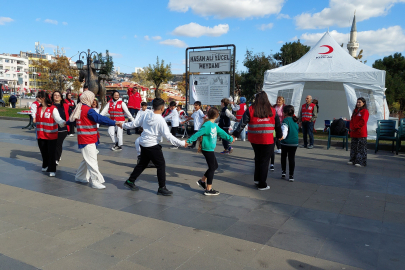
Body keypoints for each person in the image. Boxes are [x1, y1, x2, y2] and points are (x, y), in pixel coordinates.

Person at [122, 98, 187, 196]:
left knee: (143, 163)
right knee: (161, 165)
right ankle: (162, 188)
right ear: (162, 108)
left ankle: (130, 181)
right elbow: (168, 136)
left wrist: (123, 125)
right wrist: (181, 143)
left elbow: (134, 124)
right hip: (152, 145)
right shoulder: (160, 120)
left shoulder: (146, 114)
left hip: (143, 143)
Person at [68, 90, 123, 189]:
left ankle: (80, 176)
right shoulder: (88, 110)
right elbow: (100, 118)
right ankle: (95, 181)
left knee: (87, 159)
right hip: (88, 139)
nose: (93, 100)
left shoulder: (79, 108)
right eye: (92, 98)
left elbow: (71, 121)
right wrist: (114, 122)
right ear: (88, 98)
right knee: (92, 161)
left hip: (84, 138)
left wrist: (64, 123)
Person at [233, 91, 282, 190]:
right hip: (267, 139)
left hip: (254, 139)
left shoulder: (251, 109)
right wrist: (280, 135)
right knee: (264, 161)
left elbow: (242, 123)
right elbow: (277, 124)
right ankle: (262, 184)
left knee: (258, 158)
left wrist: (235, 134)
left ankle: (257, 179)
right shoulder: (272, 110)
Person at [187, 107, 234, 195]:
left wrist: (230, 138)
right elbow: (197, 134)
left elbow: (222, 133)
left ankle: (202, 181)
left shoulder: (214, 125)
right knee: (212, 167)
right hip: (206, 149)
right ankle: (208, 189)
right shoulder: (207, 125)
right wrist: (188, 141)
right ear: (217, 115)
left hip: (210, 149)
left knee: (214, 166)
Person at [34, 91, 66, 177]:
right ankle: (45, 165)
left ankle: (52, 169)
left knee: (51, 153)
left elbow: (58, 119)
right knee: (43, 152)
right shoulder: (38, 108)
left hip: (51, 135)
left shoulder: (53, 108)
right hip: (41, 135)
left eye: (38, 97)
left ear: (43, 98)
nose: (37, 99)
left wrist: (63, 123)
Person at [280, 105, 299, 182]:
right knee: (291, 158)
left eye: (283, 111)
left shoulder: (285, 120)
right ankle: (291, 175)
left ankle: (283, 171)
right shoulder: (295, 120)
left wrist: (281, 137)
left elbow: (284, 131)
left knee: (283, 157)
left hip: (286, 142)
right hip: (294, 142)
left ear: (286, 112)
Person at [348, 97, 369, 167]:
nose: (358, 103)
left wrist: (355, 127)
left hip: (361, 132)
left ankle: (361, 161)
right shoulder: (355, 111)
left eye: (360, 102)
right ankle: (352, 160)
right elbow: (352, 120)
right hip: (354, 132)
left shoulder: (365, 111)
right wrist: (351, 127)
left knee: (361, 148)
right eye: (357, 102)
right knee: (353, 147)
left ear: (363, 103)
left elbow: (363, 121)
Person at [52, 91, 71, 165]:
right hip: (52, 128)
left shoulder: (65, 106)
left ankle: (56, 159)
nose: (56, 96)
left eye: (58, 95)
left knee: (58, 143)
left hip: (62, 129)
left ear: (61, 97)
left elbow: (70, 115)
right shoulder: (50, 105)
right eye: (55, 95)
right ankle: (56, 155)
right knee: (53, 144)